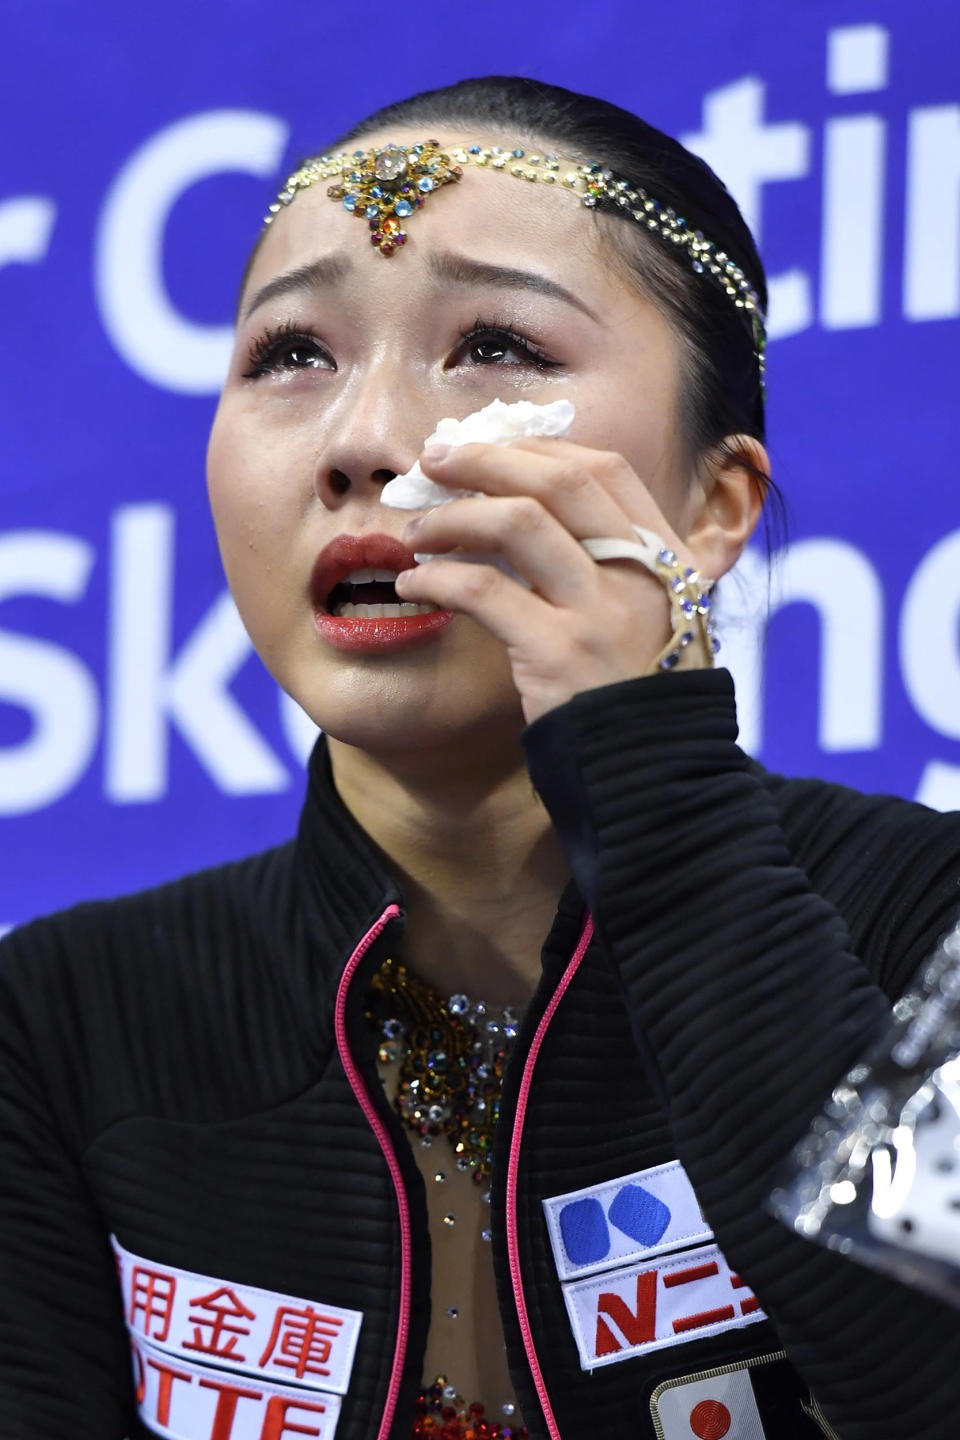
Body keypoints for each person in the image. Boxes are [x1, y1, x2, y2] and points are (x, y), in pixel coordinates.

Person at [1, 74, 959, 1440]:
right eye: (290, 355)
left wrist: (655, 779)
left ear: (711, 504)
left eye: (496, 342)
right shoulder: (55, 1021)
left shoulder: (934, 928)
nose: (365, 443)